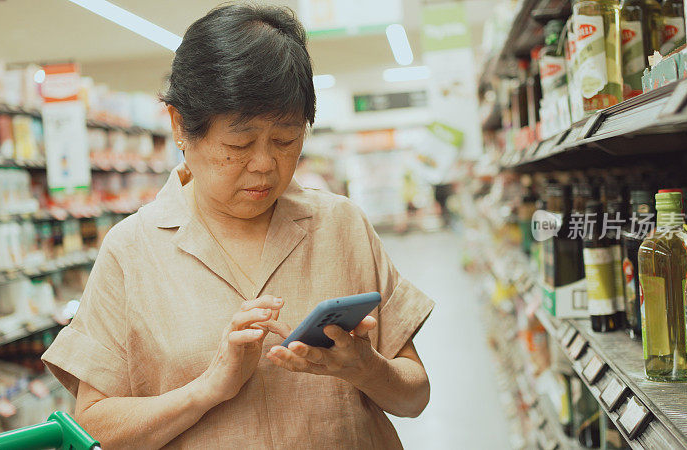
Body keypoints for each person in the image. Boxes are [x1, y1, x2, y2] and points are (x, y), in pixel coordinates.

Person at [41, 4, 434, 449]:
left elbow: (414, 396)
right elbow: (94, 431)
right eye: (238, 143)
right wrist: (208, 388)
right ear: (179, 126)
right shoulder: (131, 251)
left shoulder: (342, 226)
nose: (265, 164)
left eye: (286, 140)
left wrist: (366, 369)